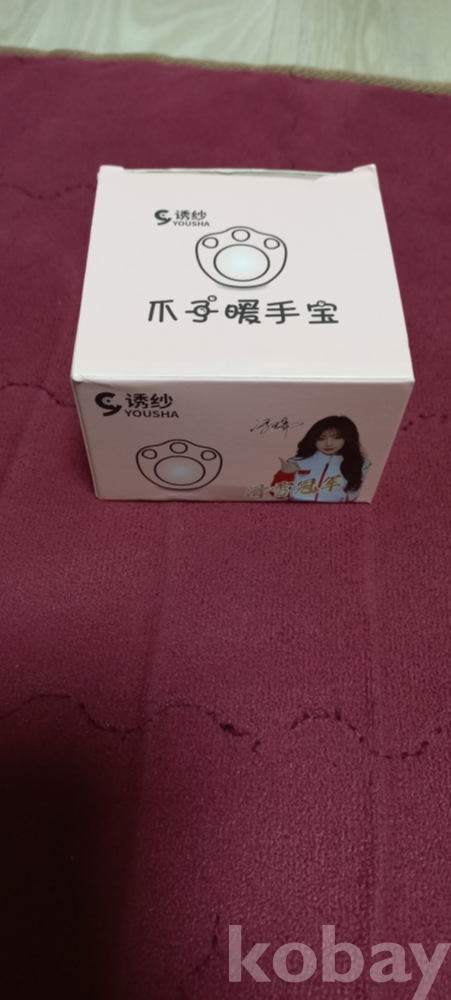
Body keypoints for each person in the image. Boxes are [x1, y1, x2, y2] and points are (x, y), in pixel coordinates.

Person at [270, 416, 370, 503]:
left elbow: (354, 497)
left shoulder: (361, 464)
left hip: (333, 513)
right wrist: (284, 474)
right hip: (297, 512)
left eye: (337, 438)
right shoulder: (296, 462)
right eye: (321, 438)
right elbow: (276, 493)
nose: (329, 444)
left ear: (348, 438)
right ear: (313, 439)